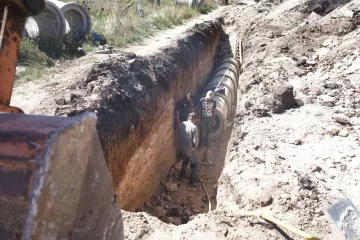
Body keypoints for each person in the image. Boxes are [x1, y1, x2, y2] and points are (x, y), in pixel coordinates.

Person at [179, 113, 199, 185]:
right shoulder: (194, 127)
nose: (196, 121)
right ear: (194, 119)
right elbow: (195, 142)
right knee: (195, 164)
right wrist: (195, 148)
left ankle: (181, 176)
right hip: (190, 150)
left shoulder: (182, 124)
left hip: (182, 148)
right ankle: (192, 181)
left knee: (185, 160)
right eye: (196, 119)